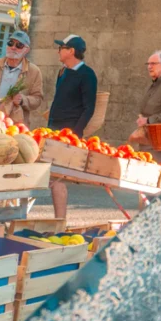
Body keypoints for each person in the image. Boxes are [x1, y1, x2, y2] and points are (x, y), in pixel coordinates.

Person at [47, 35, 97, 218]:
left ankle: (60, 221)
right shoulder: (62, 72)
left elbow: (89, 108)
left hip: (69, 135)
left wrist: (75, 135)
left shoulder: (87, 75)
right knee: (48, 176)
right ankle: (57, 221)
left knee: (58, 178)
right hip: (52, 131)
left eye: (61, 47)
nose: (58, 51)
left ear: (71, 51)